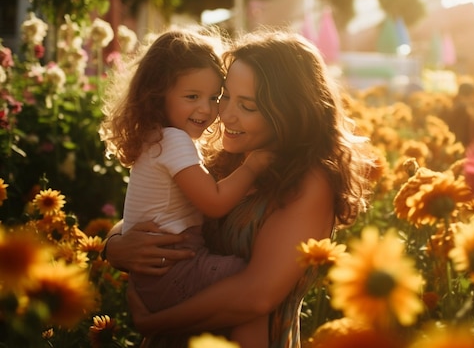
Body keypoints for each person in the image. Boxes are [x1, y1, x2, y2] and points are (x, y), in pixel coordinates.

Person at [102, 29, 375, 348]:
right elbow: (157, 215)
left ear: (288, 112)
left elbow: (256, 298)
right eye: (225, 97)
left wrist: (153, 323)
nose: (224, 114)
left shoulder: (309, 182)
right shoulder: (231, 157)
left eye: (247, 106)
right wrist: (116, 246)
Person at [98, 26, 273, 344]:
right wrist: (255, 165)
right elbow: (215, 202)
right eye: (192, 97)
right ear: (157, 95)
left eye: (214, 97)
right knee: (248, 282)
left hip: (157, 275)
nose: (206, 110)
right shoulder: (173, 139)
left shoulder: (158, 138)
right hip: (174, 268)